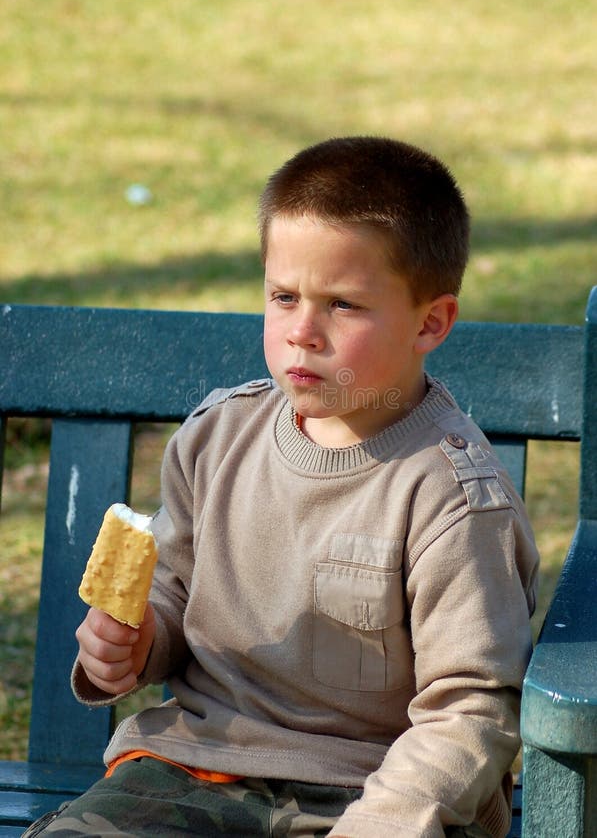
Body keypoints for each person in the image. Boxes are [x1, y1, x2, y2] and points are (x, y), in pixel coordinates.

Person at [28, 137, 539, 838]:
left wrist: (381, 824)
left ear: (430, 322)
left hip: (371, 791)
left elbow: (470, 712)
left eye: (343, 306)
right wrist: (139, 639)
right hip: (191, 769)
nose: (302, 332)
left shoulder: (450, 496)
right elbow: (176, 591)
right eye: (283, 296)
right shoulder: (217, 436)